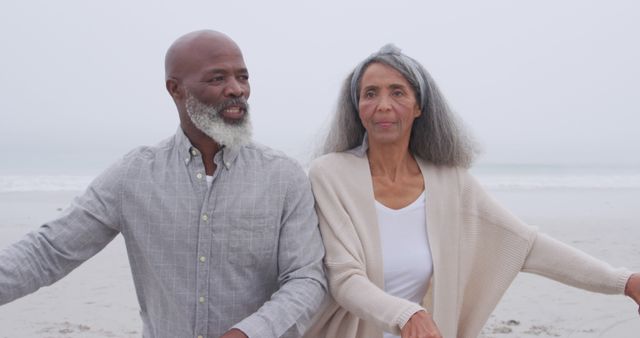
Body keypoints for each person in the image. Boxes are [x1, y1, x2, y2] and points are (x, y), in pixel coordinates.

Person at [0, 30, 327, 338]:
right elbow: (48, 251)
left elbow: (306, 279)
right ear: (175, 89)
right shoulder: (133, 176)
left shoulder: (284, 177)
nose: (237, 89)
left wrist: (247, 333)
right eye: (218, 78)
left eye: (242, 77)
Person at [304, 44, 640, 338]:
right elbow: (344, 277)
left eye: (398, 92)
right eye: (370, 93)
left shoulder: (451, 182)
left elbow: (526, 246)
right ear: (357, 106)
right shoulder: (330, 175)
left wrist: (624, 282)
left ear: (420, 106)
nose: (383, 105)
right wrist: (407, 315)